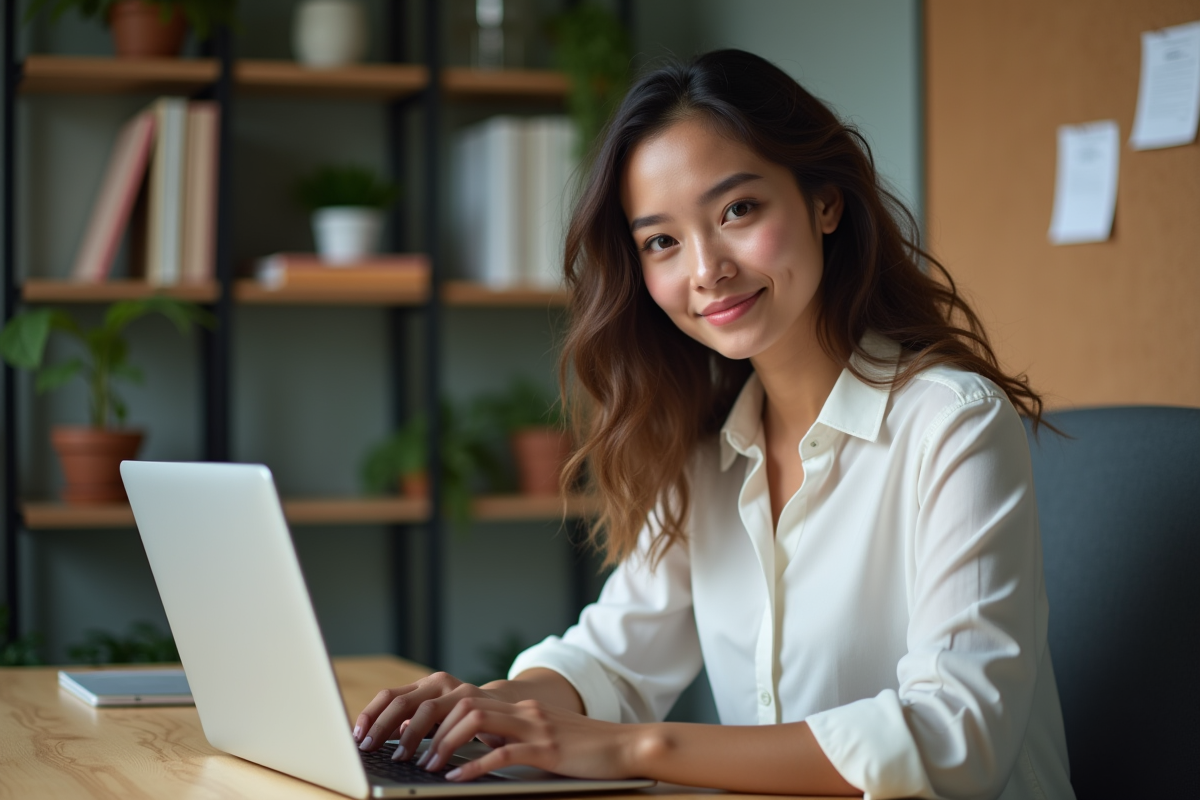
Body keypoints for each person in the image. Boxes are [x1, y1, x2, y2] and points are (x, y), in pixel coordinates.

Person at [353, 49, 1075, 800]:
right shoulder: (707, 452)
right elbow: (615, 659)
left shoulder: (952, 424)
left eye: (737, 210)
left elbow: (956, 740)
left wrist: (637, 747)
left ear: (825, 202)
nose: (705, 270)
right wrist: (490, 706)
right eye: (662, 241)